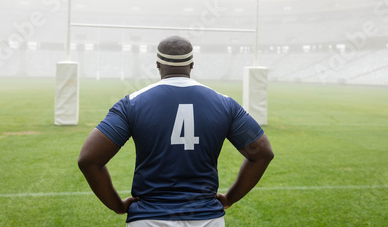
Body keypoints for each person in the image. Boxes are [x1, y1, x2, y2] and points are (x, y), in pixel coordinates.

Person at [78, 35, 274, 226]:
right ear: (192, 65)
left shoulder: (132, 104)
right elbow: (262, 153)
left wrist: (118, 206)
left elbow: (89, 159)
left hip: (149, 217)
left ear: (157, 65)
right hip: (207, 218)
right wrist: (230, 198)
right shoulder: (224, 104)